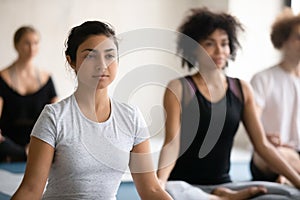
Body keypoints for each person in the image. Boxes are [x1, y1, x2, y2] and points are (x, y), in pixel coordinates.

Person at [11, 20, 173, 200]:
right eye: (90, 56)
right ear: (71, 61)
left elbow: (151, 189)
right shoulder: (54, 117)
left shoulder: (131, 117)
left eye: (109, 56)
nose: (102, 64)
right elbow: (31, 190)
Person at [157, 7, 300, 199]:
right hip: (184, 185)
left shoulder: (242, 89)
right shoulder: (179, 88)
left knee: (289, 194)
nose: (219, 51)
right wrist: (158, 184)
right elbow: (171, 145)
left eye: (224, 44)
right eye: (210, 43)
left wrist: (298, 181)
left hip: (226, 183)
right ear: (194, 48)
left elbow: (262, 146)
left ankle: (221, 195)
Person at [250, 8, 300, 184]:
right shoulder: (263, 79)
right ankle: (287, 176)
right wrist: (265, 137)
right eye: (298, 38)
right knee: (274, 154)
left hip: (296, 154)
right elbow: (252, 121)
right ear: (283, 40)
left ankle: (286, 178)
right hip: (270, 154)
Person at [0, 26, 57, 162]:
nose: (32, 48)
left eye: (35, 43)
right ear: (16, 45)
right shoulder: (2, 77)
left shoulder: (46, 78)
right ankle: (26, 155)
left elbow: (57, 118)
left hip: (40, 141)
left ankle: (30, 154)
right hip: (9, 144)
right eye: (27, 43)